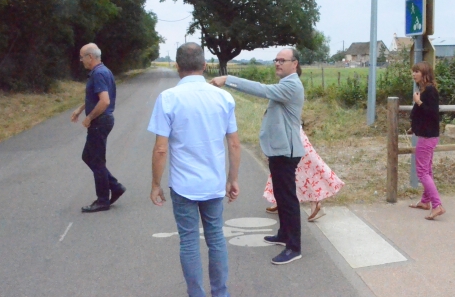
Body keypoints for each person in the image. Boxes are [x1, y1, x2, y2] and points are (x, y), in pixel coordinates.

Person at [148, 43, 240, 297]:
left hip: (183, 185)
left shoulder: (168, 98)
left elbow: (160, 149)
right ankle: (221, 293)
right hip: (213, 183)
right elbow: (233, 142)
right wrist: (232, 178)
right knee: (216, 238)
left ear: (177, 67)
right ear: (204, 65)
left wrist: (156, 184)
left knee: (189, 242)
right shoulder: (223, 97)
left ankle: (196, 294)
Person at [210, 48, 304, 265]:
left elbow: (261, 90)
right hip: (279, 150)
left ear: (295, 64)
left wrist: (228, 79)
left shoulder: (291, 85)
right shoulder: (285, 84)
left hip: (285, 152)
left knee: (288, 199)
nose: (278, 63)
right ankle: (283, 234)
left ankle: (294, 247)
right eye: (276, 60)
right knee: (281, 196)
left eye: (283, 60)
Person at [71, 43, 126, 213]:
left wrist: (89, 117)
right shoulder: (102, 71)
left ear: (90, 57)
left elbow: (104, 101)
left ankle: (103, 200)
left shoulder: (99, 74)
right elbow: (96, 96)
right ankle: (115, 187)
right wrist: (81, 109)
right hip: (102, 121)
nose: (81, 61)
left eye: (82, 57)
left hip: (100, 122)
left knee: (96, 160)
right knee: (88, 156)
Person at [264, 127, 344, 222]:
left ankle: (314, 201)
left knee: (292, 166)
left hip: (288, 132)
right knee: (299, 166)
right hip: (289, 131)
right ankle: (280, 200)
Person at [408, 61, 445, 220]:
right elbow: (423, 115)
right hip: (425, 134)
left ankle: (437, 205)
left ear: (425, 74)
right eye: (413, 71)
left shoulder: (429, 91)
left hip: (427, 137)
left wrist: (418, 102)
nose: (414, 74)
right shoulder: (423, 90)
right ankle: (425, 202)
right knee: (427, 170)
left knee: (422, 172)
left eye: (417, 71)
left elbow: (433, 114)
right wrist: (414, 127)